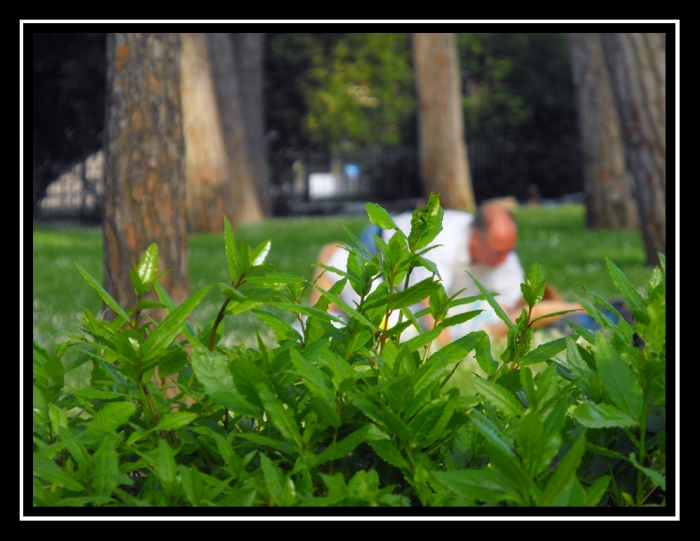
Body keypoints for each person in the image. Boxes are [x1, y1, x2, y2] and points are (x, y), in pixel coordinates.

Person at [310, 202, 582, 344]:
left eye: (509, 251)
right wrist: (439, 343)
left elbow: (520, 306)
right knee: (335, 271)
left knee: (358, 314)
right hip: (384, 243)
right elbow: (431, 303)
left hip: (425, 303)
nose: (505, 259)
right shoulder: (442, 242)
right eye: (498, 252)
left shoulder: (504, 258)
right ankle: (312, 318)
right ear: (477, 239)